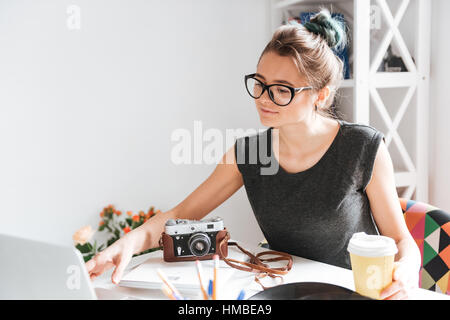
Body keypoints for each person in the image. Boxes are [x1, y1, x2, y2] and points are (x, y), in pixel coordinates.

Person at [86, 9, 421, 300]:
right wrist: (125, 244)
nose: (263, 98)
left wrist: (405, 269)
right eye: (259, 83)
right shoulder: (249, 153)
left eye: (281, 90)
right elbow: (181, 213)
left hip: (352, 291)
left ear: (320, 95)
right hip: (282, 288)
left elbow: (401, 242)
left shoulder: (362, 148)